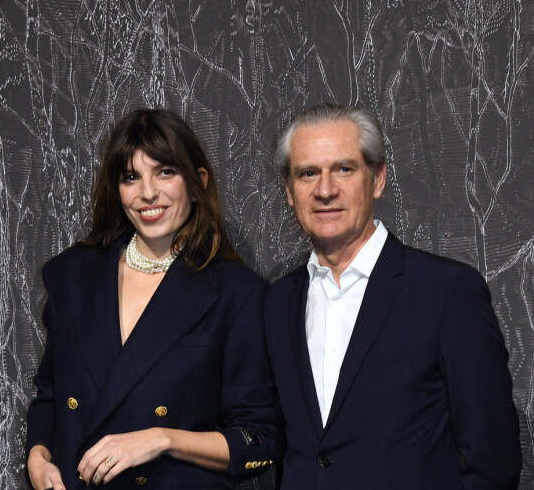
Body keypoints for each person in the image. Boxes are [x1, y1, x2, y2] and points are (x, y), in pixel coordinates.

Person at [264, 103, 522, 489]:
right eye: (308, 173)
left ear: (378, 178)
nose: (325, 190)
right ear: (289, 190)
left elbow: (493, 459)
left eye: (344, 169)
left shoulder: (447, 292)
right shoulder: (277, 303)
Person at [26, 109, 282, 490]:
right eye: (131, 177)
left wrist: (161, 439)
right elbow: (50, 392)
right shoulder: (72, 275)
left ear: (197, 182)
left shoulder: (237, 293)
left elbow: (260, 439)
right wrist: (37, 455)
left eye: (165, 172)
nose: (147, 192)